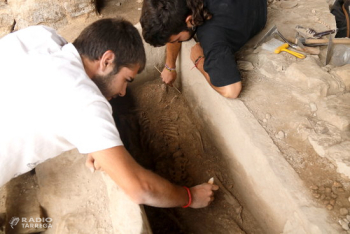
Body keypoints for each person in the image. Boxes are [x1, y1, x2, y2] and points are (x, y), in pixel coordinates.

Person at [0, 18, 218, 208]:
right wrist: (189, 196)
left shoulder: (41, 36)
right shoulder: (84, 102)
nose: (123, 92)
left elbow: (56, 98)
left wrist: (94, 140)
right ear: (106, 60)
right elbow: (140, 189)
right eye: (126, 80)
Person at [140, 0, 267, 98]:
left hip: (257, 15)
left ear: (190, 20)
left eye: (176, 39)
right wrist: (170, 66)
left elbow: (231, 90)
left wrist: (199, 60)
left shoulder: (212, 35)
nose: (176, 42)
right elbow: (172, 21)